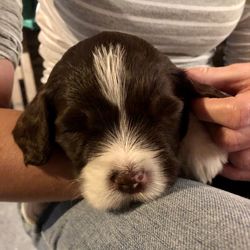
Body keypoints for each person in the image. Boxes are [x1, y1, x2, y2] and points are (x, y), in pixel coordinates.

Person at [0, 0, 250, 249]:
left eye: (162, 116)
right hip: (62, 188)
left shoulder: (182, 93)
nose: (130, 175)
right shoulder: (50, 107)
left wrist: (225, 115)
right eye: (78, 128)